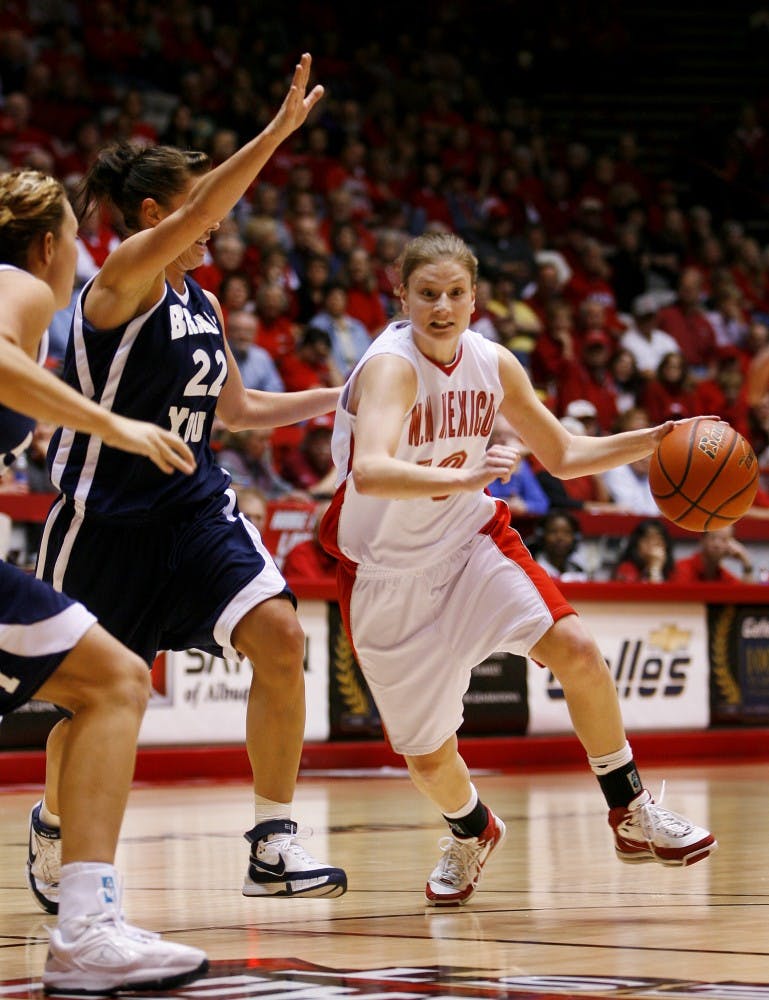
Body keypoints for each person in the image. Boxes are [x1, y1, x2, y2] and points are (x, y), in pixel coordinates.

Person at [32, 55, 349, 913]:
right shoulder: (121, 281)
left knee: (282, 640)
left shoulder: (200, 303)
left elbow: (236, 411)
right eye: (197, 205)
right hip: (105, 521)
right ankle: (55, 826)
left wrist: (338, 395)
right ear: (151, 214)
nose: (214, 222)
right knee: (91, 709)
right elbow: (210, 205)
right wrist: (278, 134)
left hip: (195, 510)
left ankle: (273, 842)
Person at [319, 232, 716, 908]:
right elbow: (372, 470)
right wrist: (471, 470)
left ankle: (630, 809)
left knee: (577, 648)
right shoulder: (391, 366)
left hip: (468, 541)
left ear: (474, 299)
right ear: (401, 295)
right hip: (385, 574)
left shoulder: (493, 363)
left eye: (453, 294)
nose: (440, 307)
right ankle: (471, 830)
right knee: (426, 758)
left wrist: (649, 442)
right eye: (426, 294)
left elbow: (560, 454)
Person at [0, 169, 207, 991]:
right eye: (74, 241)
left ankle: (87, 922)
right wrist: (109, 422)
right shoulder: (17, 286)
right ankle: (86, 928)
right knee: (117, 682)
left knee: (111, 679)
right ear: (50, 246)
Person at [671, 525, 755, 582]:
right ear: (702, 540)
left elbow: (747, 597)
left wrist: (745, 560)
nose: (717, 544)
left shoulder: (723, 575)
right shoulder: (681, 569)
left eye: (724, 539)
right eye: (713, 538)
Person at [529, 509, 589, 581]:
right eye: (553, 532)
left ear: (575, 537)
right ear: (541, 536)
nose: (560, 538)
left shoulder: (579, 568)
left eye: (567, 532)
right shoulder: (532, 569)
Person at [611, 518, 676, 583]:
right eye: (647, 539)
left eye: (659, 539)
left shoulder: (673, 571)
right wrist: (654, 569)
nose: (652, 543)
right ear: (636, 543)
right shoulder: (626, 568)